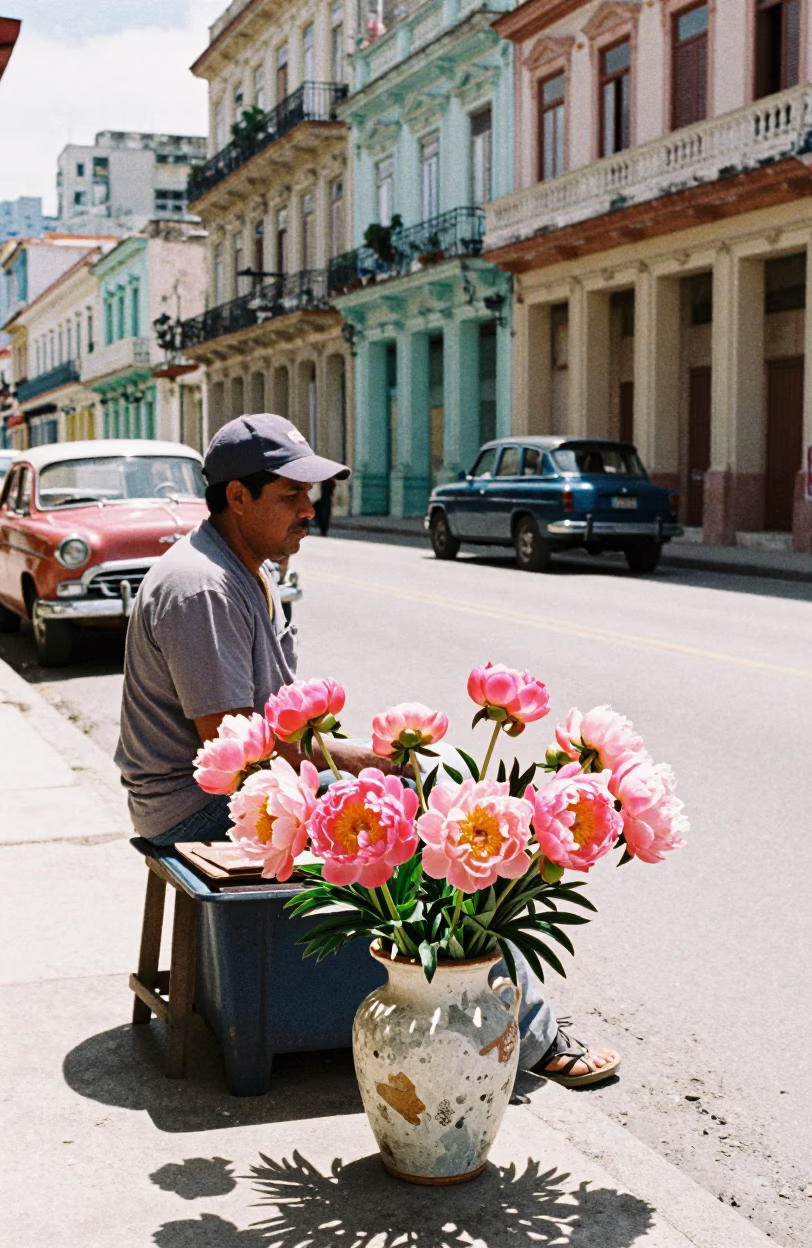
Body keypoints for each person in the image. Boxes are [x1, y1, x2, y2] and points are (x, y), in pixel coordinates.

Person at [115, 412, 619, 1088]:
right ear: (237, 497)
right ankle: (529, 1035)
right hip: (195, 812)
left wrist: (358, 763)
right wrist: (360, 792)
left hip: (236, 796)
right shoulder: (202, 586)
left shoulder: (244, 570)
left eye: (310, 494)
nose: (308, 509)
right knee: (461, 848)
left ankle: (455, 1001)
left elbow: (278, 735)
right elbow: (236, 750)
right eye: (291, 495)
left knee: (434, 809)